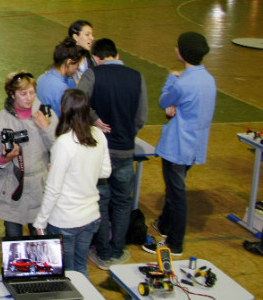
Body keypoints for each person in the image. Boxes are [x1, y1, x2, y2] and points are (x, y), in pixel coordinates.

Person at [143, 32, 216, 256]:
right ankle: (164, 224)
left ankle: (175, 243)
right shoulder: (208, 79)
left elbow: (165, 100)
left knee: (176, 195)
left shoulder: (182, 82)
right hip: (195, 145)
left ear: (181, 53)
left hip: (177, 146)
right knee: (174, 187)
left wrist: (171, 79)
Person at [78, 38, 147, 269]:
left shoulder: (93, 75)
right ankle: (119, 249)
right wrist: (128, 133)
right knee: (122, 203)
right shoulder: (137, 76)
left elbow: (78, 103)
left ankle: (103, 252)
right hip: (126, 152)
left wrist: (94, 119)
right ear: (117, 55)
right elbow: (141, 116)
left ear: (96, 58)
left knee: (101, 202)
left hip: (100, 154)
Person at [32, 89, 110, 277]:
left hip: (65, 220)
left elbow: (53, 189)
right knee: (80, 267)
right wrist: (83, 171)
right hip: (91, 216)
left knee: (66, 272)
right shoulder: (98, 135)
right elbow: (106, 171)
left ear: (65, 110)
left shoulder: (64, 143)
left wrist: (40, 222)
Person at [0, 71, 57, 237]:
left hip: (40, 189)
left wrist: (46, 129)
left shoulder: (46, 115)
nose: (29, 97)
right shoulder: (0, 120)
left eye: (32, 92)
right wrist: (4, 158)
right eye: (23, 93)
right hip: (12, 191)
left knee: (41, 242)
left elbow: (60, 150)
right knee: (13, 244)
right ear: (12, 94)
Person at [36, 37, 84, 117]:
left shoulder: (41, 78)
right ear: (69, 62)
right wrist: (80, 92)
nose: (77, 68)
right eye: (77, 64)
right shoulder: (62, 89)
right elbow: (74, 117)